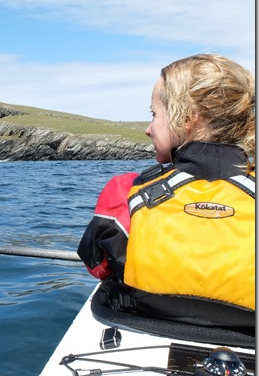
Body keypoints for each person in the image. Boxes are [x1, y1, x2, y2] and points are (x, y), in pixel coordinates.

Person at [77, 53, 255, 337]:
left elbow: (96, 265)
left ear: (186, 117)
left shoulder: (125, 191)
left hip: (145, 325)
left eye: (154, 114)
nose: (148, 129)